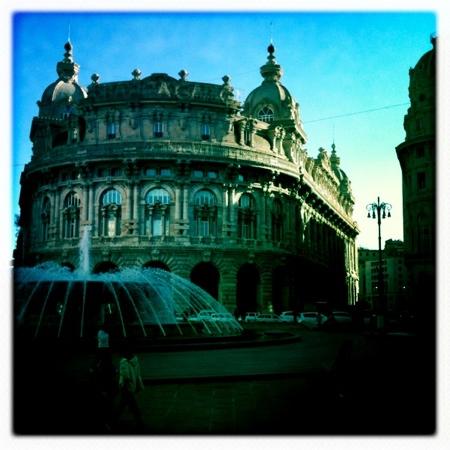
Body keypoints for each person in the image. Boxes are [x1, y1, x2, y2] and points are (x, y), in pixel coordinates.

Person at [114, 343, 145, 430]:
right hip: (132, 385)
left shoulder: (124, 362)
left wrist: (121, 384)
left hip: (126, 387)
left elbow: (124, 376)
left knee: (125, 404)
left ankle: (113, 420)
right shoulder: (135, 360)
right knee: (127, 404)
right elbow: (137, 374)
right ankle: (139, 420)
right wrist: (138, 384)